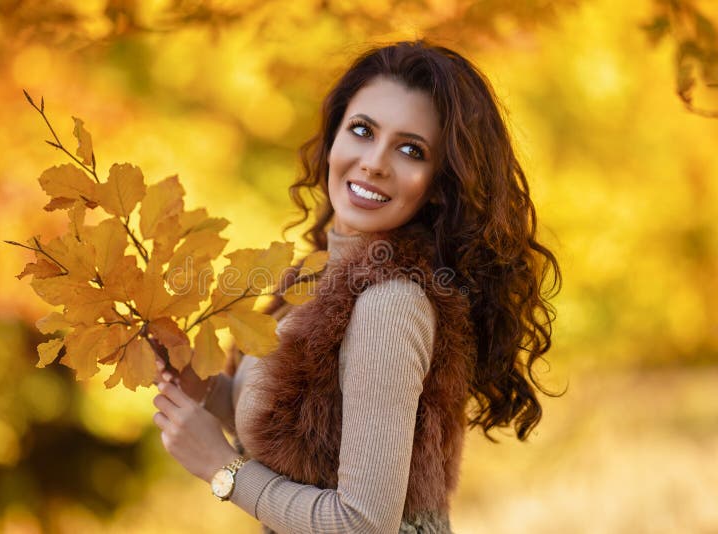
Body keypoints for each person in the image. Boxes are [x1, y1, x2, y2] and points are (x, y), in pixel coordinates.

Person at [152, 40, 561, 533]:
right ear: (334, 138)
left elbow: (363, 525)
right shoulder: (314, 276)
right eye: (362, 130)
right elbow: (296, 434)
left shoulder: (392, 302)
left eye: (411, 149)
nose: (374, 162)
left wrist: (223, 469)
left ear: (439, 183)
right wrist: (203, 388)